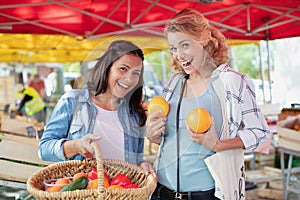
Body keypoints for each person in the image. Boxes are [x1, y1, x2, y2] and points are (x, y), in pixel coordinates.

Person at [146, 8, 270, 200]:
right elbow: (169, 138)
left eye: (185, 45)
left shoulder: (231, 82)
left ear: (204, 39)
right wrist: (153, 136)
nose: (178, 55)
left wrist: (219, 144)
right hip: (162, 190)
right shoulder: (174, 83)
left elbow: (260, 133)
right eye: (173, 48)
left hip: (206, 193)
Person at [38, 40, 154, 174]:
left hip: (123, 192)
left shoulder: (134, 113)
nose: (129, 78)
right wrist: (75, 146)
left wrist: (143, 164)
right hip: (83, 193)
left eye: (135, 73)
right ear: (107, 67)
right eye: (123, 69)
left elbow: (137, 159)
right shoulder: (73, 101)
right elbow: (44, 149)